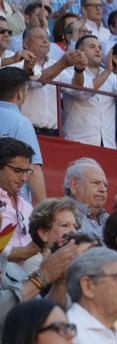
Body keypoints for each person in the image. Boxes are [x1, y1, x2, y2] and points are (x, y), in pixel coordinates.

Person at [0, 66, 45, 204]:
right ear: (20, 93)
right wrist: (46, 207)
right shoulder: (21, 122)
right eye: (26, 92)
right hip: (11, 205)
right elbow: (33, 168)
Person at [0, 138, 39, 264]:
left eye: (26, 171)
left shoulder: (26, 206)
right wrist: (25, 252)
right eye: (17, 171)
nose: (23, 178)